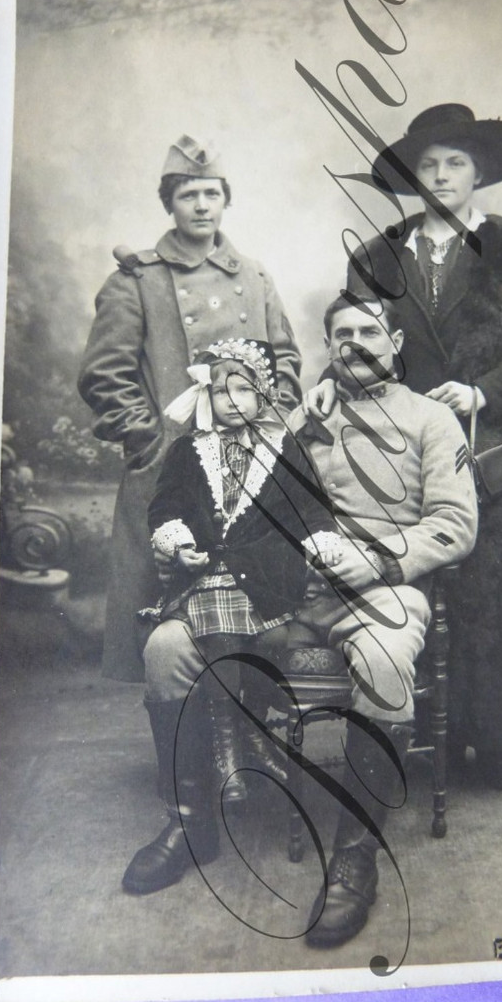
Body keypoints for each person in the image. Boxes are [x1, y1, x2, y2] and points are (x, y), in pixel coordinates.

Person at [305, 103, 502, 790]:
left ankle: (496, 736)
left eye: (455, 162)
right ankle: (424, 732)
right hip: (401, 444)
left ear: (479, 171)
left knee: (494, 585)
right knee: (415, 574)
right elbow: (355, 335)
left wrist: (481, 390)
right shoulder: (377, 256)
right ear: (412, 177)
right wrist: (331, 383)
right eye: (429, 164)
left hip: (486, 443)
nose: (442, 174)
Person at [288, 294, 478, 948]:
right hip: (303, 592)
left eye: (370, 330)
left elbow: (454, 527)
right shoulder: (308, 419)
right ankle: (196, 820)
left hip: (388, 591)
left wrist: (376, 563)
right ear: (329, 347)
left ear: (395, 341)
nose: (358, 342)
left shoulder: (431, 420)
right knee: (180, 646)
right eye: (343, 334)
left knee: (386, 661)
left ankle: (353, 857)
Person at [78, 135, 302, 681]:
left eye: (211, 193)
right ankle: (186, 743)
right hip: (173, 464)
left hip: (253, 459)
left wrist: (272, 429)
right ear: (169, 204)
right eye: (187, 195)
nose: (201, 206)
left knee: (253, 602)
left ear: (226, 199)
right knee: (171, 613)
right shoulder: (140, 280)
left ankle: (250, 731)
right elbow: (103, 374)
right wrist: (148, 437)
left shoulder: (255, 276)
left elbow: (286, 359)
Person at [122, 338, 338, 896]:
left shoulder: (284, 448)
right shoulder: (188, 452)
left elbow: (312, 508)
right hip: (203, 583)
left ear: (265, 396)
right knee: (165, 648)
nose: (235, 400)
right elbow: (165, 505)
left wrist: (319, 546)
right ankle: (190, 816)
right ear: (207, 395)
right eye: (223, 390)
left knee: (235, 626)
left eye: (247, 390)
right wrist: (179, 543)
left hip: (267, 588)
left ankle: (236, 736)